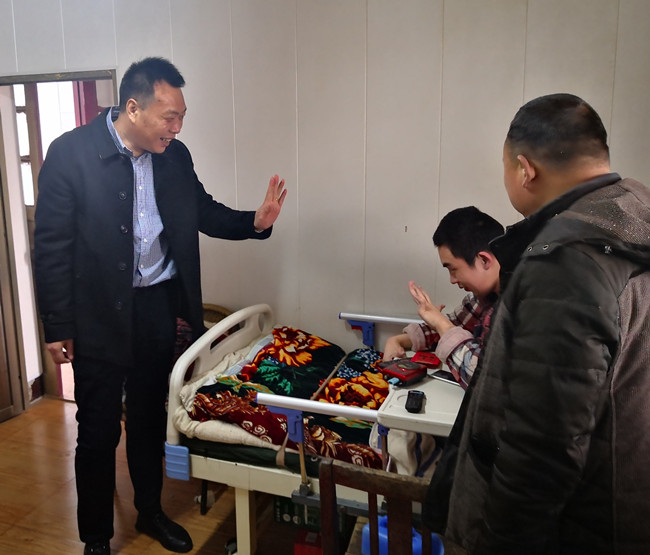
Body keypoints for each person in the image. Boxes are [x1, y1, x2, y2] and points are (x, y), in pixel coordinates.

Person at [33, 57, 286, 555]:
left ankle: (150, 511)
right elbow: (51, 247)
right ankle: (96, 538)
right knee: (98, 430)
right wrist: (57, 324)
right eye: (170, 117)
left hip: (156, 307)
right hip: (97, 316)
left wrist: (254, 222)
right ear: (133, 108)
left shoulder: (174, 156)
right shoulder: (71, 154)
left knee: (149, 418)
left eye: (182, 117)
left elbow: (202, 210)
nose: (178, 128)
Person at [423, 93, 650, 554]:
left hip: (572, 525)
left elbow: (541, 451)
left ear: (525, 169)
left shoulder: (567, 263)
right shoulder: (630, 223)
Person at [383, 206, 503, 388]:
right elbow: (455, 324)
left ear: (484, 260)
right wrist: (397, 340)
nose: (452, 280)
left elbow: (487, 382)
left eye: (453, 269)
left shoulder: (521, 304)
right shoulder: (484, 297)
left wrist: (440, 323)